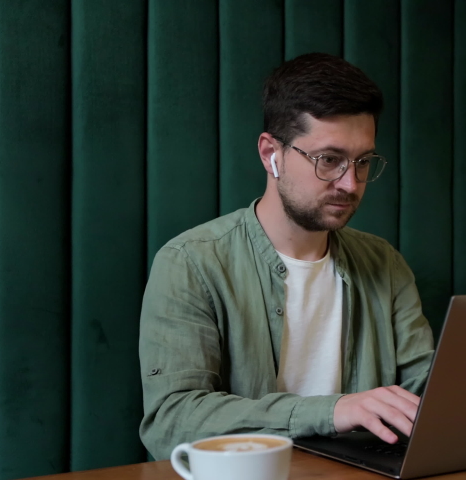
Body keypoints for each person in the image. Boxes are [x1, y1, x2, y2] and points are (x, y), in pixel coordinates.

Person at [138, 52, 435, 460]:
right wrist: (331, 411)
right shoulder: (191, 262)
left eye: (362, 161)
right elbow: (171, 421)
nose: (350, 184)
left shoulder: (384, 263)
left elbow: (426, 392)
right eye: (329, 160)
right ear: (270, 153)